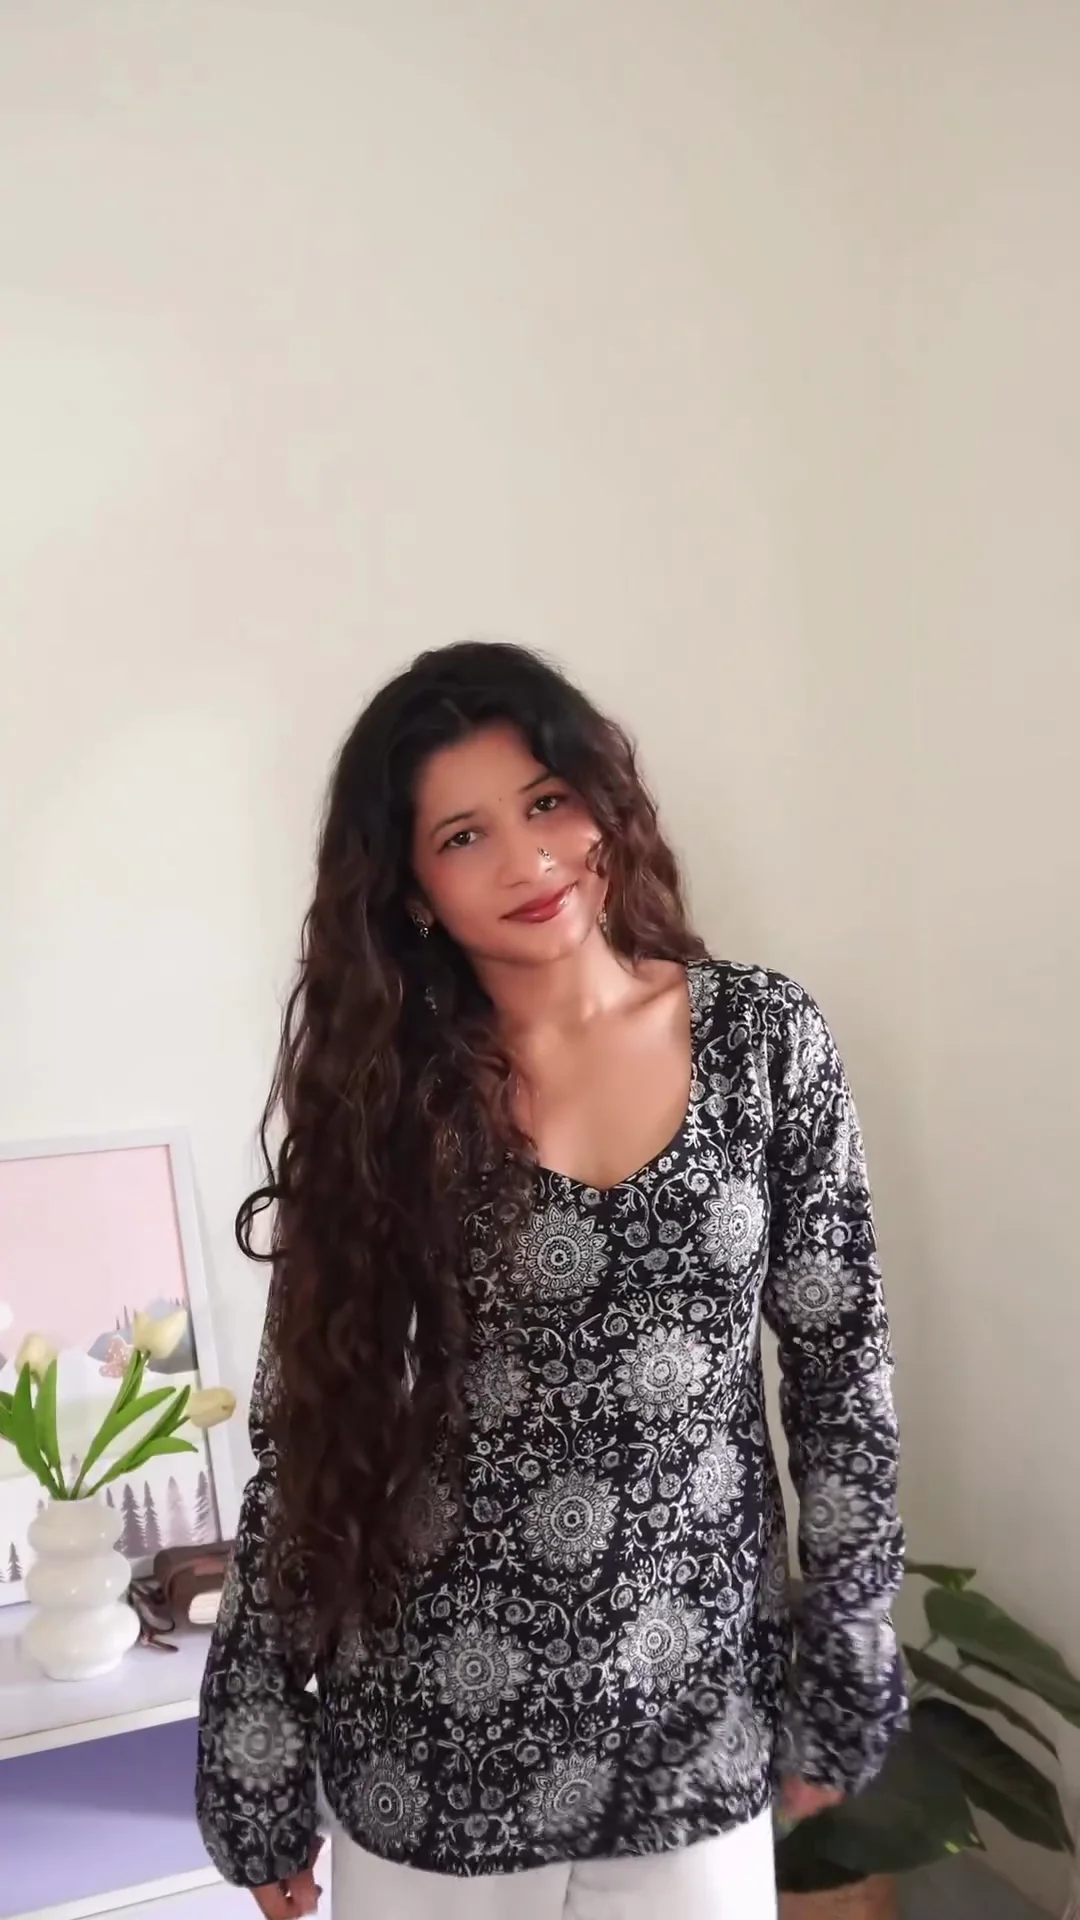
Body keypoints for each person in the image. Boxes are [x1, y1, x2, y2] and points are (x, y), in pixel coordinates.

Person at [195, 641, 905, 1920]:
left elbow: (841, 1367)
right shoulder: (383, 1099)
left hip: (691, 1735)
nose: (527, 860)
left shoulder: (763, 1039)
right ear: (412, 888)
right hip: (431, 1749)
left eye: (545, 802)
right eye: (463, 836)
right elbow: (309, 1428)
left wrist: (848, 1641)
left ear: (601, 803)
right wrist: (255, 1735)